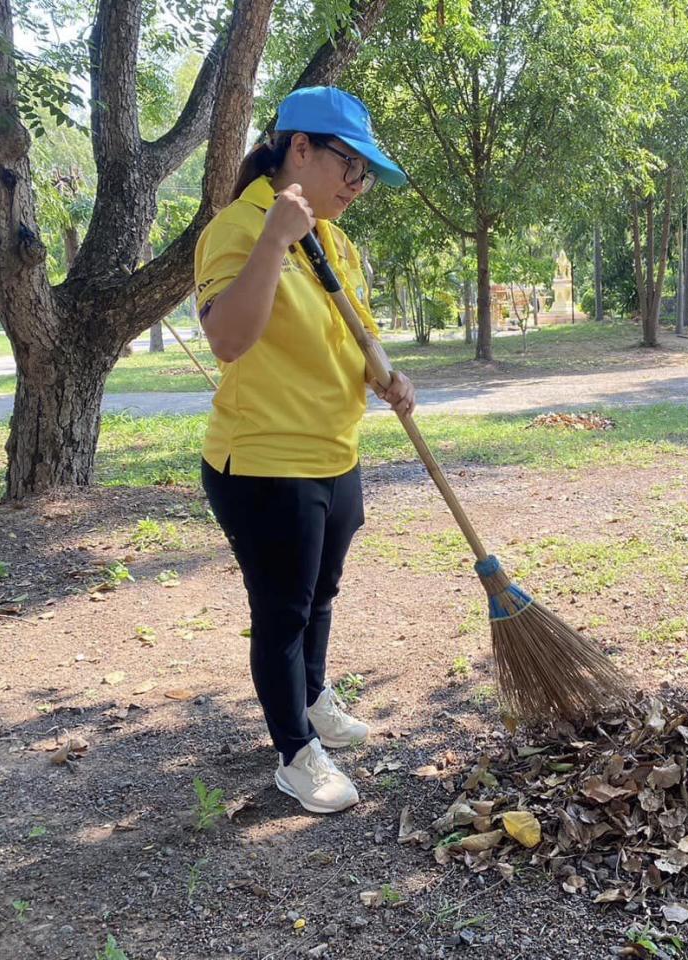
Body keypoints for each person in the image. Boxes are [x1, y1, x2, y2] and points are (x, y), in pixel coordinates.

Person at [194, 86, 415, 814]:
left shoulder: (337, 238)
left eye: (366, 174)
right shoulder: (238, 229)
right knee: (283, 611)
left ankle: (315, 698)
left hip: (334, 450)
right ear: (299, 148)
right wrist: (274, 241)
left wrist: (385, 372)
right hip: (264, 462)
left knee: (321, 593)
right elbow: (229, 340)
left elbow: (355, 326)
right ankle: (295, 754)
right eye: (349, 165)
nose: (358, 185)